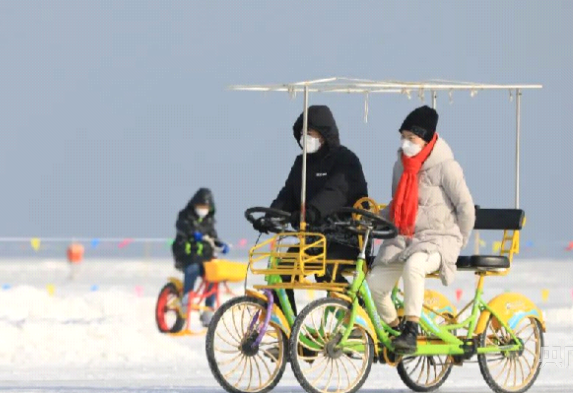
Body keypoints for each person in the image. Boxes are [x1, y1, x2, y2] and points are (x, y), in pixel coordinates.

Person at [368, 106, 475, 354]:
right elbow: (397, 204)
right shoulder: (401, 166)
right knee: (374, 285)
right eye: (402, 137)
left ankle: (412, 329)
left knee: (414, 265)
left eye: (411, 138)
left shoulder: (447, 167)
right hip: (404, 238)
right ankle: (397, 330)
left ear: (425, 139)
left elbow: (466, 208)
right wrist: (374, 219)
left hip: (439, 240)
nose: (405, 143)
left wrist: (458, 242)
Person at [254, 105, 369, 316]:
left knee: (325, 269)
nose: (305, 138)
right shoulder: (302, 163)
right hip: (314, 240)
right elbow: (288, 194)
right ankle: (288, 333)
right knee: (282, 270)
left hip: (346, 239)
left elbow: (336, 192)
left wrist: (312, 211)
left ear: (323, 135)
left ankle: (356, 318)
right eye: (302, 134)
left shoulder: (346, 161)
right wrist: (271, 216)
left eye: (310, 134)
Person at [171, 188, 229, 327]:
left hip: (204, 259)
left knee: (213, 276)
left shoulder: (209, 221)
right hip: (186, 256)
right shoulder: (185, 216)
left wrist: (221, 244)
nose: (203, 209)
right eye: (201, 206)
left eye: (206, 207)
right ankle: (186, 297)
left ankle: (209, 310)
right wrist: (193, 233)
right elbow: (182, 227)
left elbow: (213, 237)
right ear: (194, 205)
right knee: (193, 269)